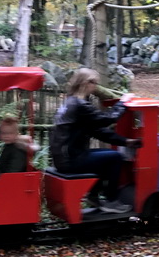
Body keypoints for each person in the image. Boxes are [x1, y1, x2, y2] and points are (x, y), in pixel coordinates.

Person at [50, 68, 141, 214]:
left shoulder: (71, 102)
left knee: (106, 155)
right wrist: (122, 103)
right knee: (115, 157)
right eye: (95, 83)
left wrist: (126, 142)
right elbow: (108, 119)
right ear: (87, 83)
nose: (96, 87)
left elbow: (97, 131)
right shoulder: (80, 105)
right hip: (70, 160)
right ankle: (111, 200)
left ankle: (94, 196)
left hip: (65, 158)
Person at [0, 116, 39, 197]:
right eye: (3, 133)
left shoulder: (18, 149)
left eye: (10, 133)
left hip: (16, 180)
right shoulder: (8, 146)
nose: (6, 136)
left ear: (16, 134)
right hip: (7, 176)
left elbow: (14, 170)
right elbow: (3, 165)